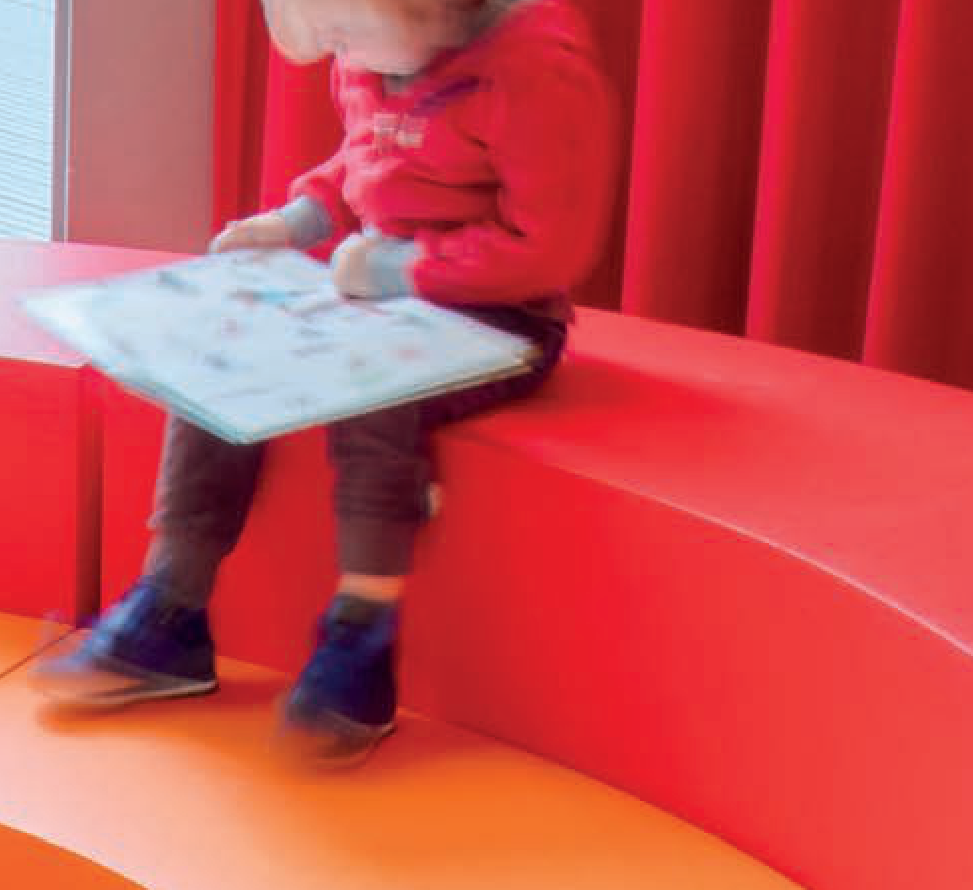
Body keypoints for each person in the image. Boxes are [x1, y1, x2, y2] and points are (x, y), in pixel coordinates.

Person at [37, 0, 617, 759]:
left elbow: (549, 247)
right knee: (222, 345)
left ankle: (362, 636)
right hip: (387, 286)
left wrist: (406, 269)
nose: (343, 57)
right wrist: (298, 221)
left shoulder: (535, 74)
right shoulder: (382, 48)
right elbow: (367, 158)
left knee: (374, 387)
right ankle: (172, 608)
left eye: (345, 36)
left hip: (501, 314)